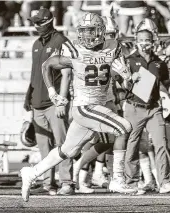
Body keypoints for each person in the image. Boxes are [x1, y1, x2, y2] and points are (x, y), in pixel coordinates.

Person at [20, 12, 135, 202]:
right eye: (84, 31)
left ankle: (31, 173)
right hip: (85, 107)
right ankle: (118, 179)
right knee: (124, 128)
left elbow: (125, 86)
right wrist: (52, 93)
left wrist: (126, 76)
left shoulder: (113, 47)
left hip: (98, 106)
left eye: (91, 30)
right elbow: (47, 65)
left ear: (101, 31)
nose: (87, 35)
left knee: (67, 151)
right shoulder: (73, 49)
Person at [117, 18, 170, 194]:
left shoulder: (159, 62)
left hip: (153, 107)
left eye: (147, 40)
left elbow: (167, 80)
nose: (144, 43)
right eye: (141, 40)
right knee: (132, 144)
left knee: (161, 143)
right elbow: (121, 86)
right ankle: (131, 182)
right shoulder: (129, 60)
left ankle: (164, 181)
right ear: (136, 42)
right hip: (134, 107)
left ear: (153, 42)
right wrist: (129, 80)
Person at [23, 8, 74, 196]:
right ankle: (48, 183)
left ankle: (67, 182)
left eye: (38, 22)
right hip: (37, 101)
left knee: (62, 143)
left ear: (48, 21)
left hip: (54, 102)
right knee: (44, 146)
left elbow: (67, 73)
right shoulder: (36, 43)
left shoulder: (61, 41)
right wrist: (28, 95)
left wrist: (62, 101)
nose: (36, 26)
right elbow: (34, 71)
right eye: (34, 22)